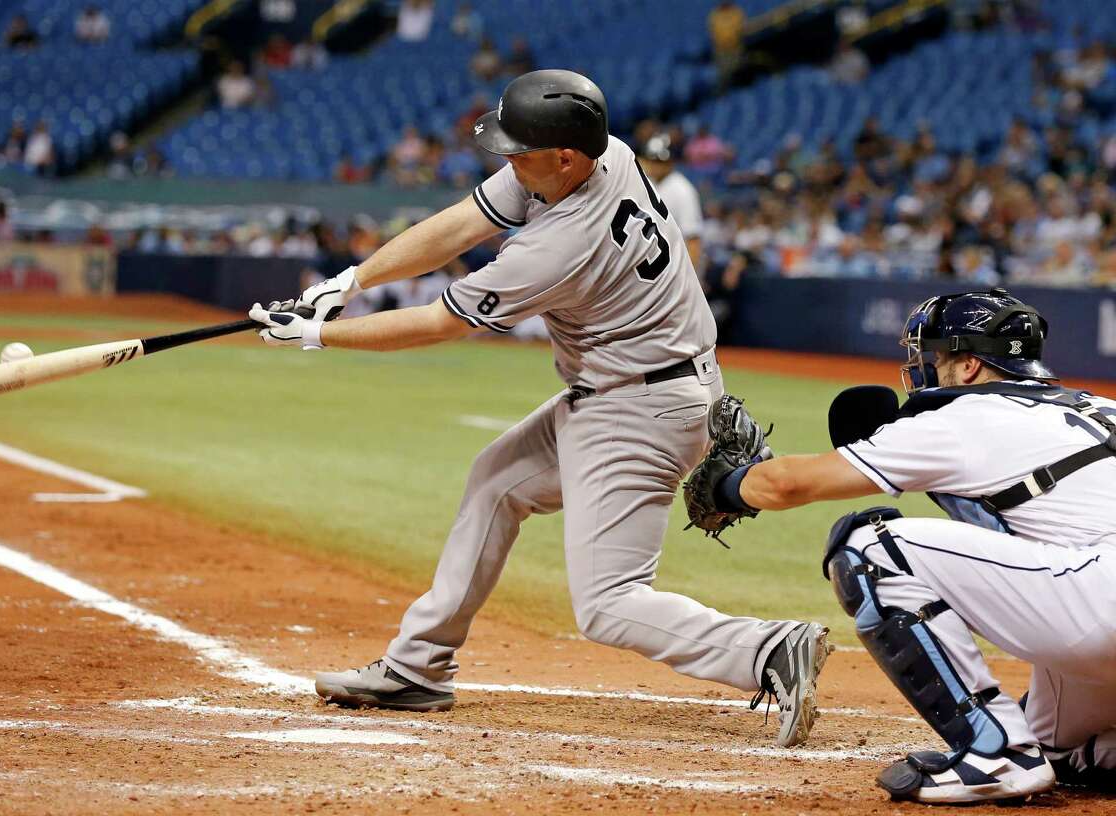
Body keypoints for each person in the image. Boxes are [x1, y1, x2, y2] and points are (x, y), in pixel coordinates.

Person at [248, 69, 831, 748]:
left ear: (565, 157)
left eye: (518, 151)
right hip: (638, 387)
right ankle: (418, 667)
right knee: (497, 481)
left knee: (609, 603)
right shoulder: (601, 151)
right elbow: (462, 222)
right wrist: (349, 282)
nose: (506, 161)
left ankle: (767, 651)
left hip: (636, 410)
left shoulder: (559, 244)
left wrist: (317, 334)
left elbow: (439, 322)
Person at [684, 288, 1115, 802]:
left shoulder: (964, 419)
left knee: (870, 546)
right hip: (1090, 589)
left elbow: (786, 484)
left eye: (937, 357)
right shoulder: (1097, 406)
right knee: (1061, 748)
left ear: (971, 366)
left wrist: (725, 486)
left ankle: (996, 754)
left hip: (1100, 602)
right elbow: (1019, 531)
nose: (927, 369)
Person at [639, 132, 705, 276]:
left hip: (677, 270)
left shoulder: (683, 190)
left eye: (660, 161)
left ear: (671, 162)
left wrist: (689, 278)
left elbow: (693, 239)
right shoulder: (648, 183)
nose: (655, 165)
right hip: (656, 269)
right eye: (652, 160)